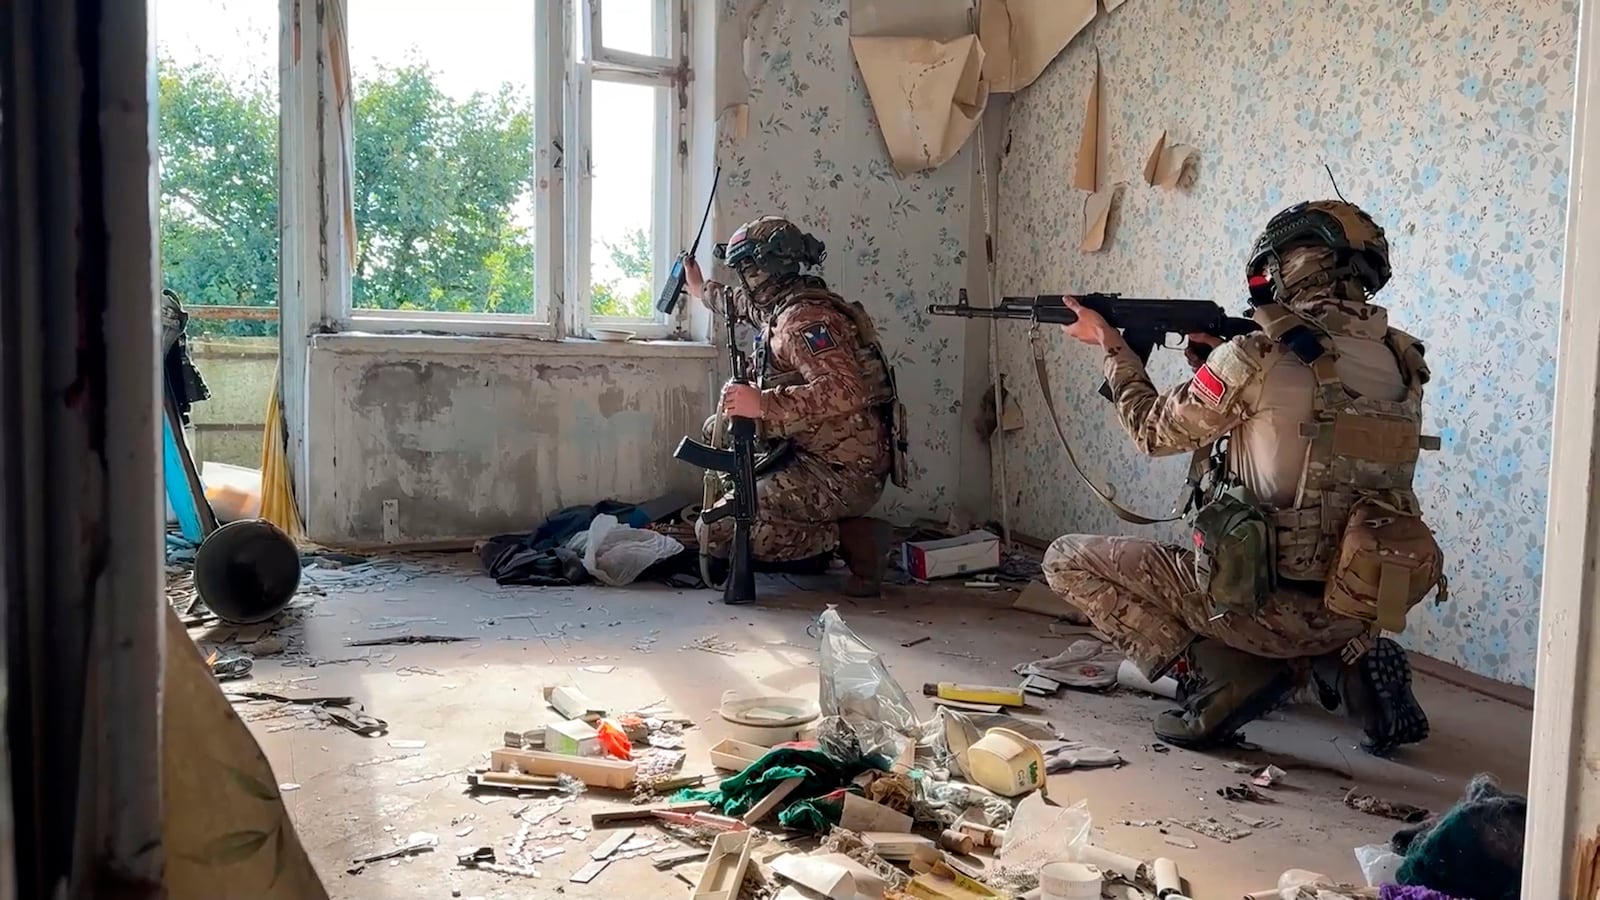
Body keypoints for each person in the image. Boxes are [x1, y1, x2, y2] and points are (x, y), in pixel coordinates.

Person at [1043, 200, 1442, 755]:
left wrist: (1111, 348)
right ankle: (1347, 665)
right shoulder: (1404, 361)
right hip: (1358, 605)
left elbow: (1152, 432)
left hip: (1260, 608)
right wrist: (1211, 366)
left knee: (1064, 558)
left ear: (1290, 267)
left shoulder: (1257, 352)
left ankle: (1221, 672)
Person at [683, 215, 907, 597]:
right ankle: (770, 507)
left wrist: (763, 404)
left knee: (715, 532)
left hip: (841, 473)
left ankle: (852, 539)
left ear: (765, 270)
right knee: (716, 431)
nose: (744, 281)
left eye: (747, 271)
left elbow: (845, 389)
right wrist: (701, 289)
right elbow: (740, 304)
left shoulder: (804, 321)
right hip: (808, 452)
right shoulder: (781, 308)